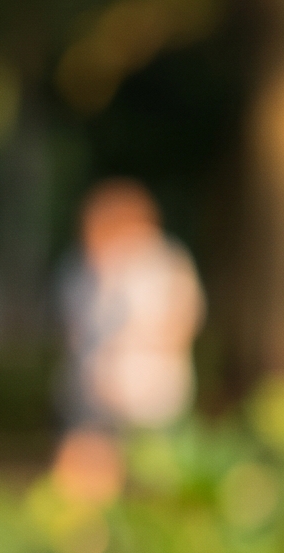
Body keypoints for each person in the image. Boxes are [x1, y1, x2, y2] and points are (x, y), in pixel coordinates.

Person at [54, 180, 205, 501]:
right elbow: (73, 328)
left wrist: (130, 357)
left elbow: (181, 324)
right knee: (86, 474)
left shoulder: (164, 265)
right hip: (93, 389)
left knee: (154, 477)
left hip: (149, 392)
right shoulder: (82, 268)